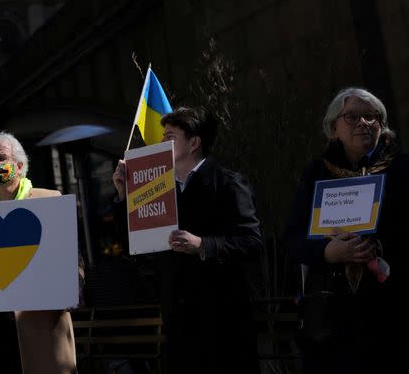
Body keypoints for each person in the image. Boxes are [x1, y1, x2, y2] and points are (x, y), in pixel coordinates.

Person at [112, 107, 263, 374]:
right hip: (179, 320)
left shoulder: (228, 183)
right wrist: (125, 196)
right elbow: (136, 246)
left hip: (223, 320)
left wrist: (203, 245)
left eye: (170, 137)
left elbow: (252, 242)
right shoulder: (158, 188)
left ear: (194, 143)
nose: (161, 144)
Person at [284, 87, 408, 373]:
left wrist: (380, 248)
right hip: (332, 317)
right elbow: (292, 237)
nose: (363, 123)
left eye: (371, 116)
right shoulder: (316, 174)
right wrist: (327, 251)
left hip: (391, 313)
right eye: (352, 117)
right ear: (333, 128)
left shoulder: (402, 170)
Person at [0, 131, 77, 374]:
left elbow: (72, 257)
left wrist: (74, 284)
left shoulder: (48, 200)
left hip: (39, 322)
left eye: (1, 157)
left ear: (19, 166)